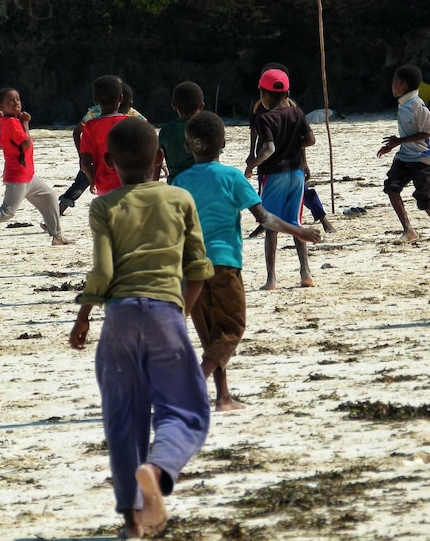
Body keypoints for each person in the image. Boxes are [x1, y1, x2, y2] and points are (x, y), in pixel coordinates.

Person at [69, 117, 213, 539]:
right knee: (184, 409)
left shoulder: (103, 205)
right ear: (160, 158)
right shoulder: (179, 198)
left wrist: (83, 317)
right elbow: (200, 270)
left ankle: (133, 521)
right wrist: (179, 313)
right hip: (166, 311)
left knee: (122, 417)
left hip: (119, 318)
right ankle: (158, 467)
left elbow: (102, 270)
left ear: (109, 161)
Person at [175, 111, 321, 411]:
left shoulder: (179, 180)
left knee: (211, 338)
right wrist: (299, 231)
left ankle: (223, 396)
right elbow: (265, 217)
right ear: (224, 144)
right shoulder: (231, 177)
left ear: (188, 147)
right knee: (232, 328)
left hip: (189, 269)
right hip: (224, 264)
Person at [0, 87, 71, 251]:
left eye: (17, 99)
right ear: (1, 106)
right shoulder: (12, 122)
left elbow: (1, 142)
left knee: (49, 196)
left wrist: (0, 121)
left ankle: (57, 236)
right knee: (7, 212)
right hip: (18, 175)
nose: (16, 103)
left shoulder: (6, 121)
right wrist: (26, 123)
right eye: (10, 101)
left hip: (27, 175)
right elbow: (25, 144)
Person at [245, 69, 317, 290]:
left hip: (274, 175)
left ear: (263, 93)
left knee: (271, 225)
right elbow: (311, 140)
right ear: (287, 93)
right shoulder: (297, 113)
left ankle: (271, 279)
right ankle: (305, 273)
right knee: (296, 224)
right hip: (296, 174)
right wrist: (294, 146)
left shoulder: (264, 118)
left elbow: (268, 148)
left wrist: (252, 164)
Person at [246, 63, 335, 237]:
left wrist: (305, 162)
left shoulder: (293, 107)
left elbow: (303, 137)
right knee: (263, 192)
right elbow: (254, 130)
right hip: (268, 159)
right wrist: (252, 154)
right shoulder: (257, 106)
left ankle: (323, 218)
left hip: (292, 160)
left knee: (304, 191)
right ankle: (264, 224)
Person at [377, 64, 430, 242]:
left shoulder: (417, 105)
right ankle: (408, 229)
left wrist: (398, 141)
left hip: (423, 159)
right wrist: (392, 145)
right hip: (405, 156)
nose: (391, 85)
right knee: (391, 187)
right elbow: (408, 133)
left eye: (394, 82)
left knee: (424, 199)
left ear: (402, 83)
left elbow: (425, 133)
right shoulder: (404, 104)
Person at [59, 80, 146, 214]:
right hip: (125, 174)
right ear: (122, 99)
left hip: (99, 170)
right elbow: (147, 134)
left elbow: (78, 133)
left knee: (81, 187)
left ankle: (55, 216)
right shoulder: (130, 119)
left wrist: (84, 160)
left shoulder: (92, 122)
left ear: (95, 100)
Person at [80, 75, 128, 196]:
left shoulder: (90, 127)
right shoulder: (130, 123)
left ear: (95, 101)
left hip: (104, 186)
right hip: (129, 184)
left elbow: (85, 163)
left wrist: (93, 181)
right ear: (121, 98)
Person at [158, 81, 204, 183]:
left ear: (173, 105)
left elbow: (158, 160)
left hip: (176, 184)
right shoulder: (205, 127)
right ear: (201, 106)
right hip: (203, 183)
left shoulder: (166, 131)